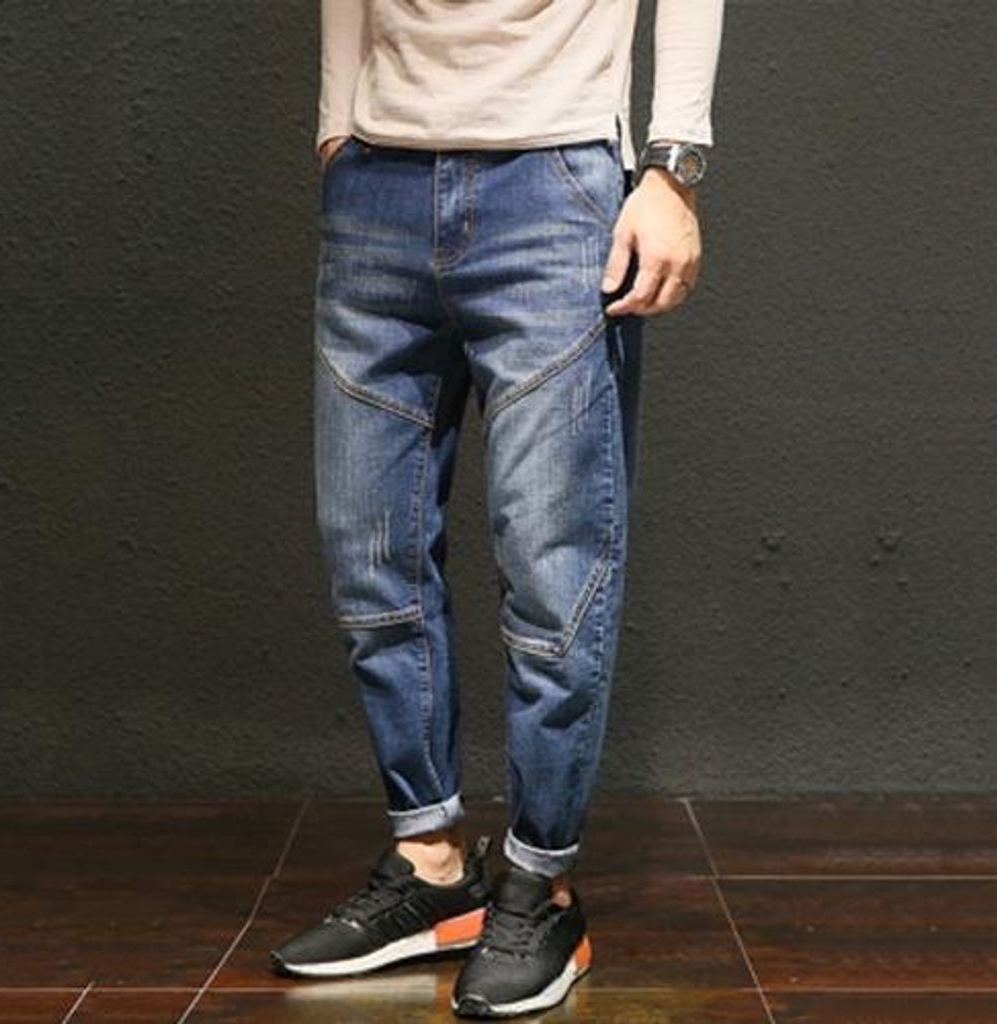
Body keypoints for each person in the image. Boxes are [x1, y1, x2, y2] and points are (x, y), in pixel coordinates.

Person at [271, 0, 725, 1016]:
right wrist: (337, 122)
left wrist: (673, 165)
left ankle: (539, 887)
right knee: (370, 555)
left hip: (553, 180)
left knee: (554, 569)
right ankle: (430, 866)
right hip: (377, 182)